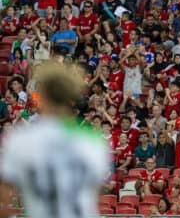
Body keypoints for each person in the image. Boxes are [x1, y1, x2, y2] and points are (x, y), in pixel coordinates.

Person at [0, 63, 110, 218]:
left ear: (42, 95)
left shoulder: (21, 140)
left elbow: (4, 201)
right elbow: (93, 198)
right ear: (71, 98)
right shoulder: (92, 141)